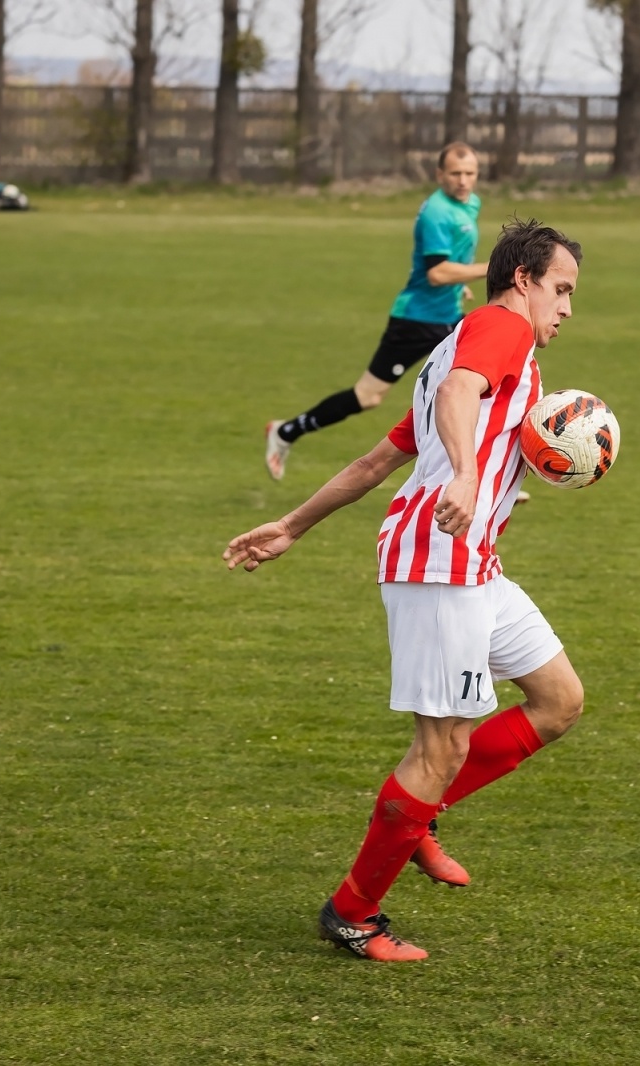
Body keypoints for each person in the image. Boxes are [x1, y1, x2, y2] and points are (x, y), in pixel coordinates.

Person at [225, 219, 587, 963]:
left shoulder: (462, 346)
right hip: (438, 565)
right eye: (561, 289)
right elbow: (460, 393)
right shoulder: (497, 333)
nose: (567, 308)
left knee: (558, 700)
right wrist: (462, 471)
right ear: (522, 279)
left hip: (473, 566)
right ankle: (354, 911)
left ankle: (420, 815)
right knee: (441, 745)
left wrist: (292, 525)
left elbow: (371, 462)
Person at [264, 142, 490, 482]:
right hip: (416, 320)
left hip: (449, 318)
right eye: (455, 174)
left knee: (478, 387)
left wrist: (461, 285)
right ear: (439, 174)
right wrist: (489, 268)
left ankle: (480, 476)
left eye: (469, 173)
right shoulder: (437, 213)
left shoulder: (470, 203)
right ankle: (286, 432)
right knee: (368, 396)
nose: (463, 180)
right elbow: (436, 272)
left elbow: (450, 266)